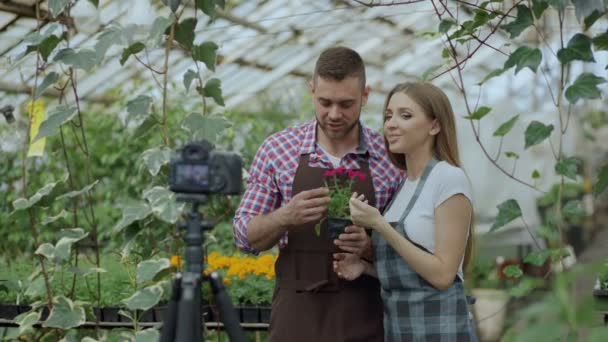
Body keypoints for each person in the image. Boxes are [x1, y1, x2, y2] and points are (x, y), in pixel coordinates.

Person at [233, 46, 402, 342]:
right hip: (295, 316)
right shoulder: (277, 151)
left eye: (346, 104)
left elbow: (413, 249)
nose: (334, 114)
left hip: (366, 315)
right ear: (311, 91)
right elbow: (244, 236)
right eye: (324, 102)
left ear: (365, 96)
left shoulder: (389, 159)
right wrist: (285, 216)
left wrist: (370, 247)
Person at [333, 82, 478, 341]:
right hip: (400, 330)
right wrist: (365, 268)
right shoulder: (403, 186)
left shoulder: (448, 179)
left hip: (440, 330)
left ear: (434, 126)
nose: (391, 124)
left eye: (405, 115)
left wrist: (380, 225)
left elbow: (443, 275)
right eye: (388, 116)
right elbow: (413, 276)